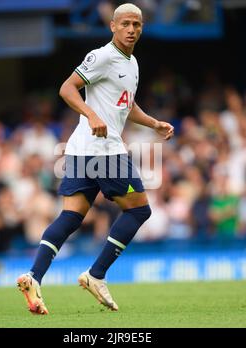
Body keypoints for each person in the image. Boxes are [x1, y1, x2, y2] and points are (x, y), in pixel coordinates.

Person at [17, 3, 174, 315]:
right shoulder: (102, 56)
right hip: (103, 150)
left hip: (80, 151)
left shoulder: (132, 63)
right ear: (112, 26)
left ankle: (34, 276)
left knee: (72, 217)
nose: (132, 29)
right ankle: (96, 274)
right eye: (126, 24)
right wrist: (90, 114)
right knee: (139, 210)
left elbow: (125, 105)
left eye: (137, 25)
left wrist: (153, 123)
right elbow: (67, 88)